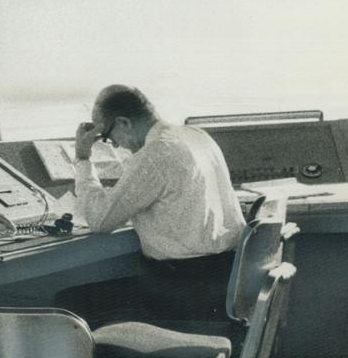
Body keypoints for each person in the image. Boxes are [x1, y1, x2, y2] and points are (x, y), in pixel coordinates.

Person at [64, 85, 245, 325]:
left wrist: (83, 158)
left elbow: (99, 221)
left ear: (124, 123)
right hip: (228, 275)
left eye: (109, 137)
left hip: (186, 287)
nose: (116, 146)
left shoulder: (155, 153)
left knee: (69, 305)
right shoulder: (197, 136)